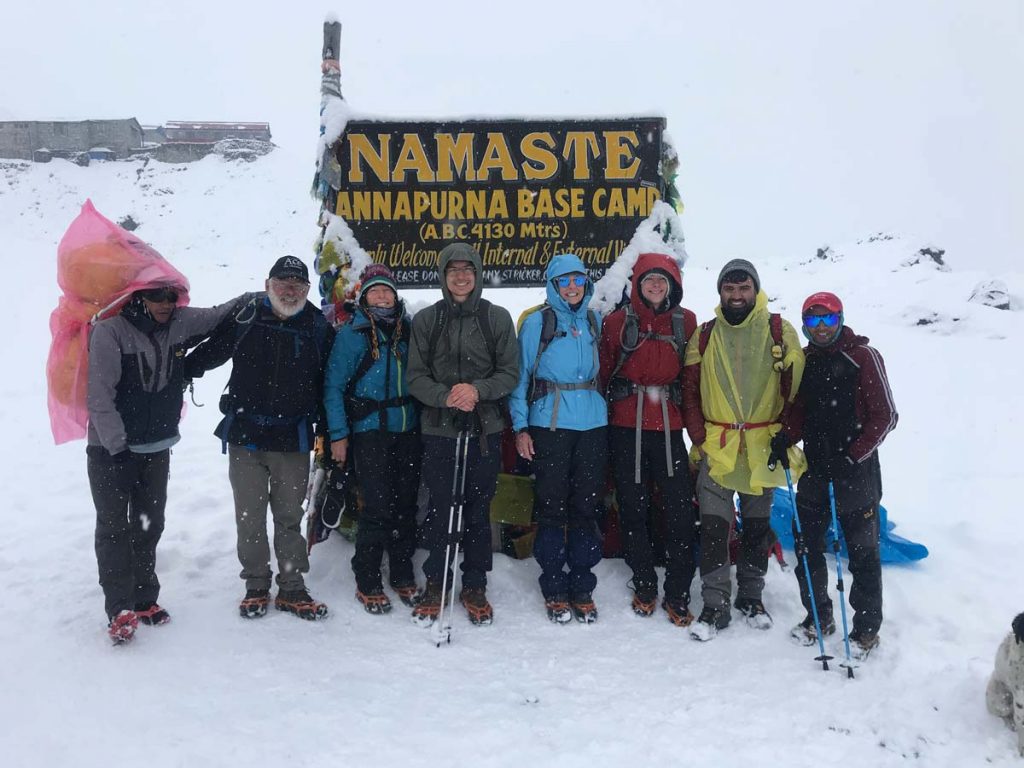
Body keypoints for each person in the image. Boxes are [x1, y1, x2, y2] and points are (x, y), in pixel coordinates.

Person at [87, 284, 252, 644]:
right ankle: (119, 609)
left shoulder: (179, 322)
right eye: (156, 297)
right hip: (110, 450)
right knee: (114, 527)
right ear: (137, 297)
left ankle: (145, 599)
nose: (165, 304)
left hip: (156, 448)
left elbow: (218, 314)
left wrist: (253, 297)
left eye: (171, 298)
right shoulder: (109, 332)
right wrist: (118, 451)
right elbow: (99, 398)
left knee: (149, 524)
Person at [185, 256, 335, 622]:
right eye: (282, 283)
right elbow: (209, 354)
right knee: (249, 517)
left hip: (294, 439)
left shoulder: (317, 327)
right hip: (246, 437)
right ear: (268, 284)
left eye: (297, 286)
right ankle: (255, 584)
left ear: (306, 290)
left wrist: (331, 433)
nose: (290, 291)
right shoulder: (247, 317)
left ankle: (291, 586)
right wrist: (175, 373)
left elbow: (331, 385)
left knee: (288, 517)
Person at [682, 259, 805, 641]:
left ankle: (751, 597)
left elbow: (796, 390)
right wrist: (700, 438)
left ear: (755, 289)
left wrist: (787, 434)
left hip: (762, 450)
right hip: (718, 449)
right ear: (720, 292)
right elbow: (688, 391)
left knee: (755, 529)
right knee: (714, 530)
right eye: (729, 289)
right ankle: (715, 604)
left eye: (744, 288)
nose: (737, 296)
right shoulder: (704, 336)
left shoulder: (779, 331)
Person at [770, 291, 897, 658]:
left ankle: (865, 631)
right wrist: (786, 437)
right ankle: (818, 617)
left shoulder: (862, 357)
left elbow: (885, 416)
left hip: (856, 473)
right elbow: (798, 410)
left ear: (840, 318)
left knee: (862, 554)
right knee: (808, 544)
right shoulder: (805, 360)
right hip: (815, 469)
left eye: (828, 319)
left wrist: (853, 456)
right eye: (813, 320)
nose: (821, 327)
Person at [406, 243, 519, 626]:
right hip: (439, 430)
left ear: (478, 273)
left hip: (484, 430)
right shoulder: (427, 320)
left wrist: (477, 391)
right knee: (440, 506)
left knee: (477, 508)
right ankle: (437, 581)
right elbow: (415, 376)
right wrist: (447, 396)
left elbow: (509, 372)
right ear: (443, 275)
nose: (460, 276)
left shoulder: (496, 318)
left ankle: (475, 583)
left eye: (467, 269)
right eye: (453, 270)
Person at [599, 252, 699, 627]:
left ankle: (678, 591)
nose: (656, 287)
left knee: (678, 512)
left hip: (670, 429)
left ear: (673, 285)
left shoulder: (685, 323)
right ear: (637, 285)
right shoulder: (616, 323)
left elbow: (691, 380)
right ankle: (643, 582)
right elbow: (604, 373)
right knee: (632, 507)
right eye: (648, 281)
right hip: (627, 428)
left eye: (662, 281)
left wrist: (696, 431)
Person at [510, 254, 607, 624]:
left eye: (578, 281)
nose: (571, 288)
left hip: (592, 425)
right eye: (564, 281)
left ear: (586, 283)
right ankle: (553, 583)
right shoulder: (538, 322)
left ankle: (582, 584)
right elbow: (520, 378)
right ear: (552, 284)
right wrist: (521, 427)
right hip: (549, 426)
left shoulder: (593, 320)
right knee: (552, 506)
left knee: (586, 506)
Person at [322, 264, 420, 615]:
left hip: (407, 428)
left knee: (406, 504)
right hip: (369, 430)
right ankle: (367, 576)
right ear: (363, 296)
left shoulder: (408, 330)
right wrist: (338, 435)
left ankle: (402, 571)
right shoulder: (353, 333)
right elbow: (333, 387)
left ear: (396, 296)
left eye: (387, 291)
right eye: (375, 291)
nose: (382, 296)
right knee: (376, 506)